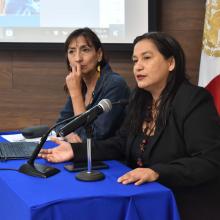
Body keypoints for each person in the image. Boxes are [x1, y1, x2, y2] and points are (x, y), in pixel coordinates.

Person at [39, 32, 220, 220]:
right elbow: (120, 143)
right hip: (142, 198)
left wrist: (157, 172)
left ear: (171, 63)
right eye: (135, 60)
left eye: (147, 58)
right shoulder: (140, 99)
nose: (138, 66)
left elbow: (210, 160)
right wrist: (76, 151)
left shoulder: (193, 101)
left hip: (182, 202)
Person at [55, 28, 130, 142]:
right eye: (72, 51)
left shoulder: (115, 84)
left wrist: (75, 94)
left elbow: (91, 138)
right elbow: (60, 126)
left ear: (99, 54)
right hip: (82, 155)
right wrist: (67, 136)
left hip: (108, 158)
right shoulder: (80, 84)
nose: (78, 58)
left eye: (85, 50)